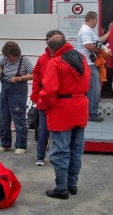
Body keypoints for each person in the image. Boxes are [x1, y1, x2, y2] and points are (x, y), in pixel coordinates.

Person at [38, 31, 91, 200]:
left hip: (62, 109)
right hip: (80, 106)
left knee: (60, 150)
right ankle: (72, 184)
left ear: (52, 50)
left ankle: (61, 188)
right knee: (76, 149)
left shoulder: (55, 63)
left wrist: (42, 106)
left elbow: (48, 92)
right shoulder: (82, 59)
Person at [0, 41, 34, 155]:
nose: (7, 58)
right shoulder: (5, 58)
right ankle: (5, 144)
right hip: (5, 91)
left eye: (10, 56)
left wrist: (19, 78)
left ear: (16, 54)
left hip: (18, 92)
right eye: (6, 56)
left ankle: (21, 145)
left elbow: (35, 74)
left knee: (18, 118)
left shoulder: (24, 60)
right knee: (4, 117)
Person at [30, 30, 60, 166]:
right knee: (42, 130)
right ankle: (40, 157)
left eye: (50, 40)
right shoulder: (42, 58)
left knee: (59, 130)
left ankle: (57, 156)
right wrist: (34, 96)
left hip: (60, 100)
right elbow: (36, 78)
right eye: (46, 40)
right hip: (43, 99)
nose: (48, 42)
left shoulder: (66, 57)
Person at [76, 11, 104, 122]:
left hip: (89, 63)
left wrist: (110, 33)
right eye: (96, 20)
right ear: (92, 19)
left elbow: (98, 41)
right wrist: (101, 50)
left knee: (91, 88)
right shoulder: (85, 31)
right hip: (89, 63)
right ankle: (92, 113)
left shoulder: (88, 31)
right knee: (94, 89)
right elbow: (88, 45)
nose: (97, 22)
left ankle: (89, 112)